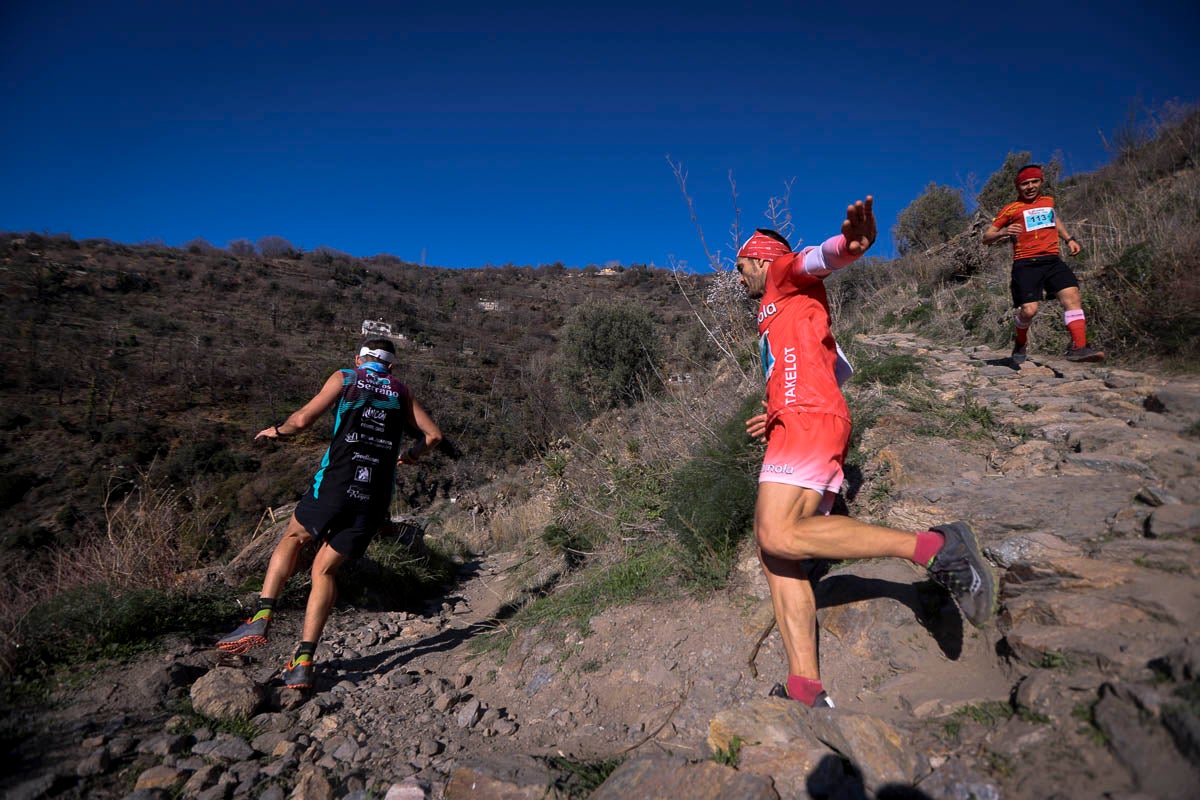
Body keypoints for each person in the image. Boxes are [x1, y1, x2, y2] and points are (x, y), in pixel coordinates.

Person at [737, 197, 996, 708]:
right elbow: (812, 363)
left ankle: (933, 548)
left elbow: (815, 258)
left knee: (777, 533)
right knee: (776, 553)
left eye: (740, 266)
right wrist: (773, 410)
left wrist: (849, 246)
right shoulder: (776, 311)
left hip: (808, 418)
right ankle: (805, 687)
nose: (739, 276)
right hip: (799, 417)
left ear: (760, 258)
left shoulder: (782, 278)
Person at [217, 338, 442, 689]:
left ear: (359, 359)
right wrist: (411, 456)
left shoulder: (346, 377)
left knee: (293, 537)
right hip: (373, 497)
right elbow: (433, 435)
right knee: (324, 570)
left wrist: (277, 431)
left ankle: (261, 616)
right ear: (391, 368)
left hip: (336, 484)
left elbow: (303, 419)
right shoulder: (402, 391)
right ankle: (303, 661)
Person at [981, 164, 1104, 363]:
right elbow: (986, 237)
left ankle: (1079, 347)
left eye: (1034, 182)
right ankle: (1021, 341)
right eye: (1024, 183)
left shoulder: (1048, 202)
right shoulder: (1011, 209)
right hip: (1025, 263)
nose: (1030, 186)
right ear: (1018, 187)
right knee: (1029, 310)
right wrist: (1003, 232)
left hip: (1052, 260)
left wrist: (1069, 239)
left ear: (1041, 182)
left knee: (1072, 297)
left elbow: (1055, 220)